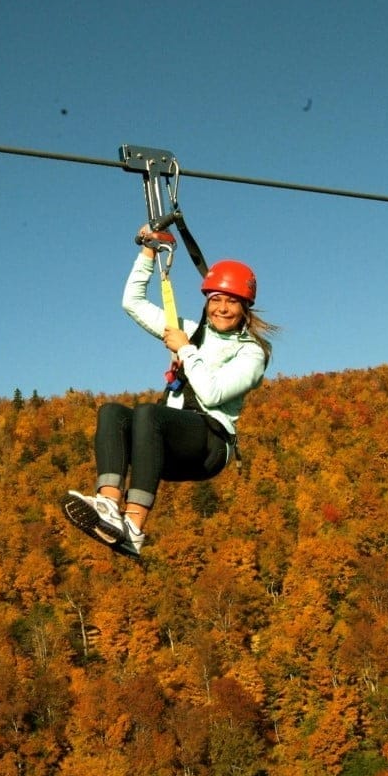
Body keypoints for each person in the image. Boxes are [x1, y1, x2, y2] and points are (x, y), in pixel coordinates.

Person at [61, 224, 277, 556]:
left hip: (210, 445)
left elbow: (213, 394)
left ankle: (133, 526)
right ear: (206, 302)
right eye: (216, 300)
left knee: (149, 413)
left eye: (231, 302)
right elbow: (132, 303)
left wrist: (186, 351)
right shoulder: (190, 331)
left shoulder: (251, 353)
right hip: (168, 445)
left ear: (244, 308)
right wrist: (148, 250)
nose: (222, 308)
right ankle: (108, 503)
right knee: (113, 413)